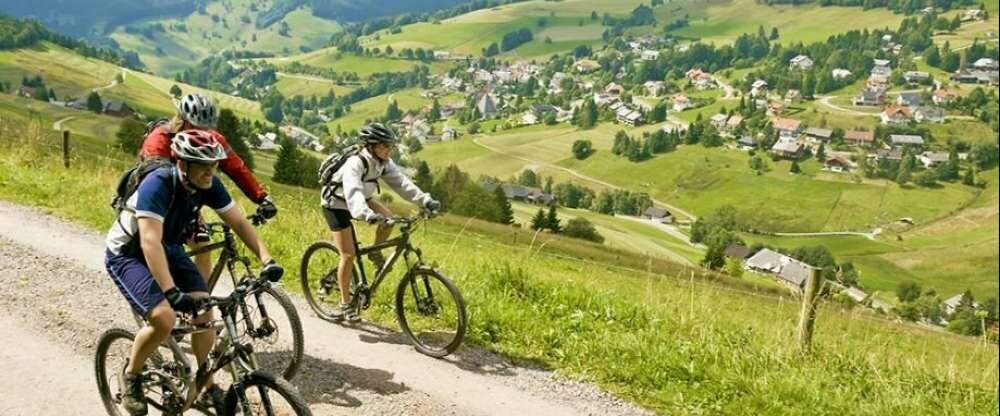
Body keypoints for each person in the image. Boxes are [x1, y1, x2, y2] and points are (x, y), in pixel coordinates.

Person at [105, 130, 283, 415]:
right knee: (164, 318)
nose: (210, 172)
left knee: (205, 312)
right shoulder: (158, 184)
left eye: (214, 165)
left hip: (169, 247)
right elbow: (149, 241)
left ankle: (208, 385)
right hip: (128, 253)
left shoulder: (209, 184)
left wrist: (267, 259)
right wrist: (171, 292)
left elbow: (238, 222)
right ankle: (133, 376)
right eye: (203, 166)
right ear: (183, 165)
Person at [140, 93, 276, 281]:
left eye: (206, 129)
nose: (202, 134)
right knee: (161, 240)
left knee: (203, 244)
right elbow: (155, 184)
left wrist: (261, 197)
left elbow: (237, 168)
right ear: (182, 120)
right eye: (195, 127)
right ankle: (159, 285)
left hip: (188, 198)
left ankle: (200, 299)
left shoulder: (213, 140)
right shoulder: (159, 140)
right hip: (160, 201)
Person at [320, 122, 440, 322]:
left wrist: (425, 200)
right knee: (348, 255)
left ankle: (375, 251)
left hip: (363, 201)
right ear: (370, 146)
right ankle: (344, 303)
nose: (388, 150)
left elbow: (402, 183)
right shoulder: (355, 163)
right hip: (336, 204)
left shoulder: (383, 162)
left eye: (390, 146)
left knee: (389, 220)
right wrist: (364, 213)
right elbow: (353, 191)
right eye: (384, 146)